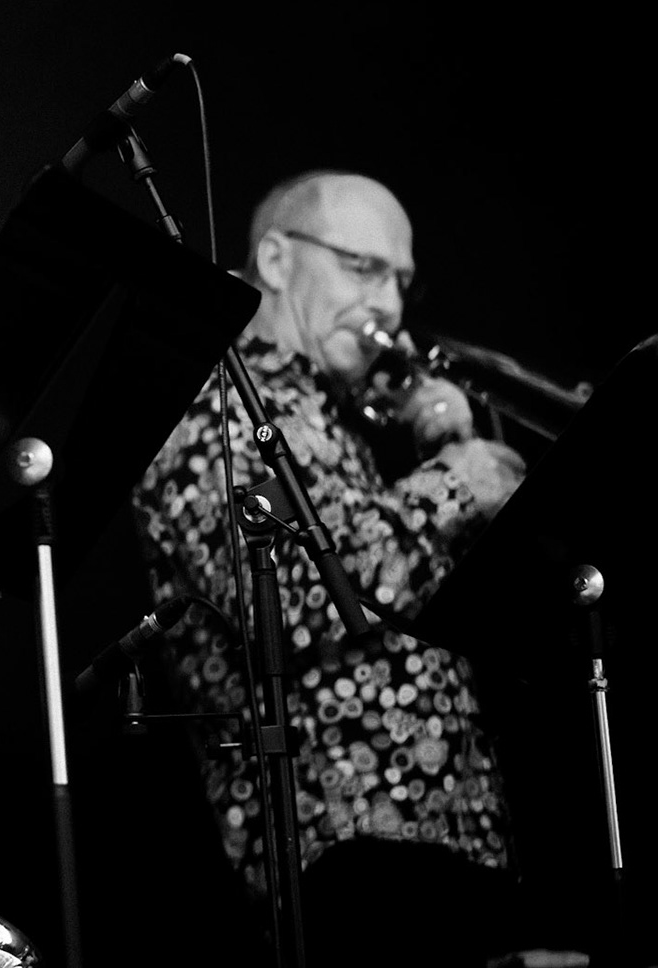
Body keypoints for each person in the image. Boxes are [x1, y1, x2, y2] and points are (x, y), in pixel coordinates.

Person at [133, 170, 531, 965]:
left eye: (400, 282)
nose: (388, 304)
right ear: (277, 260)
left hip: (427, 845)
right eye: (363, 268)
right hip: (344, 858)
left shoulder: (320, 411)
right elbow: (294, 596)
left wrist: (446, 447)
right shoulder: (216, 398)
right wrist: (461, 480)